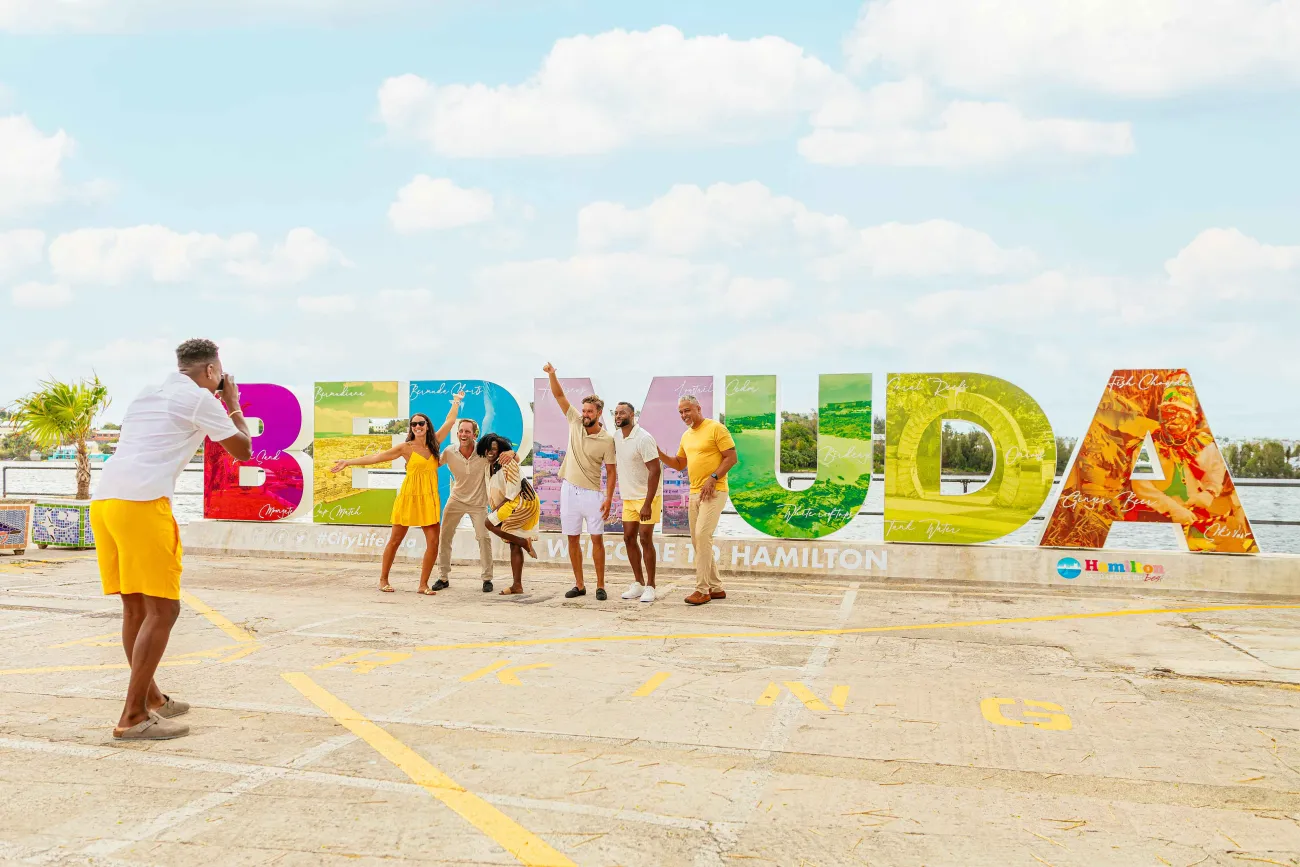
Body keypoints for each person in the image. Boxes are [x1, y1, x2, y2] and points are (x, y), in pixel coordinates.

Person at [90, 338, 252, 740]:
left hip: (106, 501)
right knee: (163, 610)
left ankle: (153, 699)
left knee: (135, 609)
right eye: (220, 373)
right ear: (211, 371)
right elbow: (243, 450)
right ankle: (133, 716)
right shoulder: (200, 399)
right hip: (143, 504)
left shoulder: (148, 393)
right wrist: (232, 403)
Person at [329, 395, 464, 595]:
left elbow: (450, 421)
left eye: (421, 423)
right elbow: (377, 457)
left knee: (433, 542)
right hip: (409, 497)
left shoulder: (435, 443)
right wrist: (348, 462)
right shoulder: (405, 448)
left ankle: (423, 585)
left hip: (428, 499)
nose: (417, 426)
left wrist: (456, 401)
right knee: (395, 540)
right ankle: (383, 579)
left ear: (427, 425)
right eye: (413, 424)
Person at [542, 362, 617, 601]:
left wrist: (608, 498)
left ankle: (601, 586)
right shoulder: (575, 421)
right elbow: (559, 395)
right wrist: (552, 375)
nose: (585, 414)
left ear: (598, 413)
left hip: (592, 494)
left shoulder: (607, 440)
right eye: (584, 410)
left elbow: (612, 471)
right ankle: (579, 584)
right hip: (569, 490)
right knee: (572, 538)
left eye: (589, 411)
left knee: (597, 540)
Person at [657, 395, 738, 606]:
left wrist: (713, 478)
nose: (684, 415)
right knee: (697, 540)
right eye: (681, 412)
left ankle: (702, 590)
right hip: (694, 492)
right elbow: (678, 463)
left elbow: (731, 457)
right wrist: (659, 453)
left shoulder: (716, 428)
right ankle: (716, 587)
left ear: (698, 408)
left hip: (715, 490)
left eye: (687, 410)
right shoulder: (686, 436)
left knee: (702, 536)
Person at [435, 417, 514, 594]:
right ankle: (443, 577)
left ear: (474, 435)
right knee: (444, 536)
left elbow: (510, 456)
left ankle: (487, 578)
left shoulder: (483, 452)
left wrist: (511, 453)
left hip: (478, 503)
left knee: (483, 538)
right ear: (457, 433)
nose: (463, 434)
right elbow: (433, 464)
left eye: (467, 431)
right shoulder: (449, 451)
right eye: (461, 431)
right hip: (456, 500)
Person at [478, 433, 539, 596]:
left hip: (522, 503)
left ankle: (524, 541)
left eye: (494, 449)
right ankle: (517, 585)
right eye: (488, 449)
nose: (490, 452)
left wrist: (495, 512)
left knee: (489, 523)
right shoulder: (488, 466)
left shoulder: (507, 464)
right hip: (511, 502)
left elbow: (511, 494)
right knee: (513, 543)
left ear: (500, 451)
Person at [613, 401, 662, 603]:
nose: (618, 416)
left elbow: (655, 470)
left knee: (645, 538)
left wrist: (647, 503)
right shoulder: (617, 437)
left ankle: (651, 586)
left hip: (647, 497)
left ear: (632, 415)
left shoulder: (644, 438)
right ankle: (638, 583)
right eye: (616, 413)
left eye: (622, 413)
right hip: (628, 497)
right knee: (628, 538)